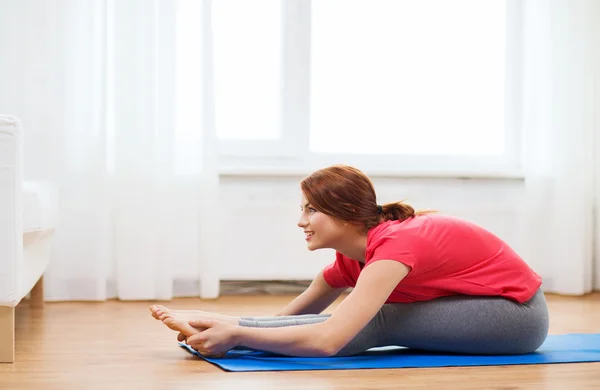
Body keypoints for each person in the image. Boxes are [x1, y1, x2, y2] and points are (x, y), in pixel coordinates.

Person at [149, 164, 549, 358]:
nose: (300, 222)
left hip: (517, 316)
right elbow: (288, 319)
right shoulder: (351, 258)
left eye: (310, 211)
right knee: (359, 314)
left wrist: (236, 336)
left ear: (343, 213)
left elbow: (329, 340)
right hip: (480, 307)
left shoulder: (394, 247)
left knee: (378, 318)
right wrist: (225, 324)